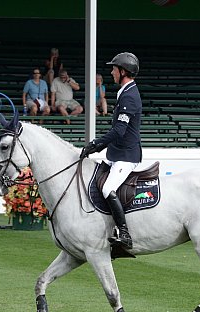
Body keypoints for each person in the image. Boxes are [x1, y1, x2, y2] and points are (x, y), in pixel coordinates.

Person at [79, 52, 142, 250]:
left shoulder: (130, 95)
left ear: (123, 71)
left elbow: (119, 130)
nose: (111, 72)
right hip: (117, 153)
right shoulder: (124, 91)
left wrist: (96, 144)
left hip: (126, 155)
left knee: (108, 189)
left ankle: (124, 233)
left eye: (114, 69)